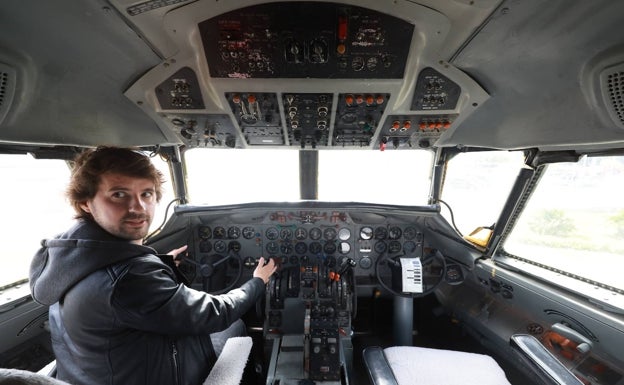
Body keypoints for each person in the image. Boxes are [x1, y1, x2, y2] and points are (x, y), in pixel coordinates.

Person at [28, 146, 276, 385]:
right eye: (119, 194)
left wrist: (161, 263)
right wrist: (257, 281)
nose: (137, 207)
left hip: (102, 372)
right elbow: (216, 313)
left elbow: (124, 296)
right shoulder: (129, 279)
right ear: (85, 203)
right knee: (235, 324)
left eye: (146, 194)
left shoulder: (70, 258)